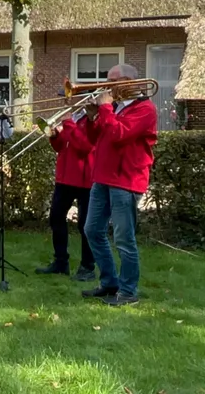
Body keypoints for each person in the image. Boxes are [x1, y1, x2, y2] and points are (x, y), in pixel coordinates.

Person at [82, 63, 157, 306]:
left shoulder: (145, 109)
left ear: (129, 82)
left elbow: (118, 135)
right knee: (92, 230)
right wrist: (92, 117)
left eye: (113, 81)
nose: (107, 86)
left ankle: (128, 292)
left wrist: (104, 109)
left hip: (126, 180)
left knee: (124, 238)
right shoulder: (115, 107)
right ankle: (109, 283)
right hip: (102, 178)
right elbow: (95, 139)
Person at [35, 108, 96, 281]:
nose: (66, 102)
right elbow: (61, 146)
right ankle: (61, 262)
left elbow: (84, 146)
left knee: (85, 225)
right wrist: (54, 136)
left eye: (68, 98)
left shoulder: (91, 117)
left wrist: (68, 124)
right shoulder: (74, 118)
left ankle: (88, 267)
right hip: (65, 178)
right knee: (56, 217)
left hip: (86, 180)